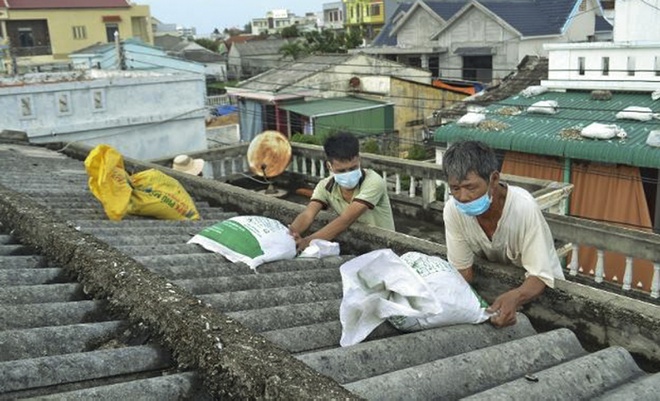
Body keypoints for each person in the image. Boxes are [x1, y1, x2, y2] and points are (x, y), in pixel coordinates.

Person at [442, 140, 564, 328]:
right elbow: (462, 271)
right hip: (499, 291)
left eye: (471, 187)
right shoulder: (453, 210)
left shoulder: (523, 208)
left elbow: (540, 275)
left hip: (542, 297)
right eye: (455, 189)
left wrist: (514, 297)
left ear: (494, 179)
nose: (463, 197)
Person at [289, 132, 395, 252]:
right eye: (342, 170)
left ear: (359, 160)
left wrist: (307, 242)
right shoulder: (325, 186)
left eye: (353, 168)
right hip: (354, 246)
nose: (348, 174)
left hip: (384, 249)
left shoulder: (374, 182)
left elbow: (346, 219)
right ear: (329, 166)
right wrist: (291, 235)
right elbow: (308, 214)